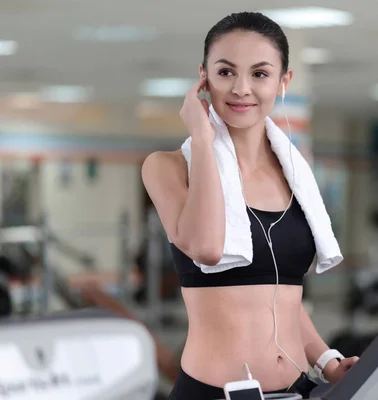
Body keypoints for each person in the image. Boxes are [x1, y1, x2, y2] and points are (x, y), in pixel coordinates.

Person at [141, 11, 359, 400]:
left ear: (283, 81)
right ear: (203, 78)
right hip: (214, 392)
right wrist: (203, 139)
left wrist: (327, 360)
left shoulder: (295, 176)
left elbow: (282, 295)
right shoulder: (167, 168)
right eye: (225, 72)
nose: (241, 88)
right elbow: (208, 249)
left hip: (297, 389)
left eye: (259, 74)